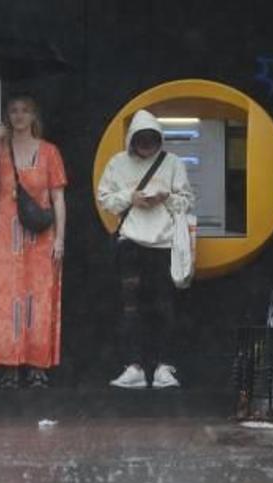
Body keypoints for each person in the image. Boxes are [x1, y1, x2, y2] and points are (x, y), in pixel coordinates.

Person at [98, 109, 194, 389]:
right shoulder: (118, 163)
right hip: (130, 241)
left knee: (164, 306)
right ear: (132, 140)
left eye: (152, 141)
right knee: (130, 307)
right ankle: (134, 366)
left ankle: (164, 366)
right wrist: (132, 197)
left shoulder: (173, 162)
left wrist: (166, 197)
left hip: (163, 243)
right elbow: (105, 199)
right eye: (142, 141)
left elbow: (187, 201)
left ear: (159, 140)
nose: (147, 146)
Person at [0, 94, 67, 389]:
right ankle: (9, 365)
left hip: (40, 236)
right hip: (5, 236)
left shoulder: (50, 151)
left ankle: (37, 365)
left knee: (38, 298)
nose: (18, 116)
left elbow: (58, 198)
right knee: (6, 298)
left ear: (34, 116)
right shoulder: (0, 149)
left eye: (25, 111)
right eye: (13, 111)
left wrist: (61, 238)